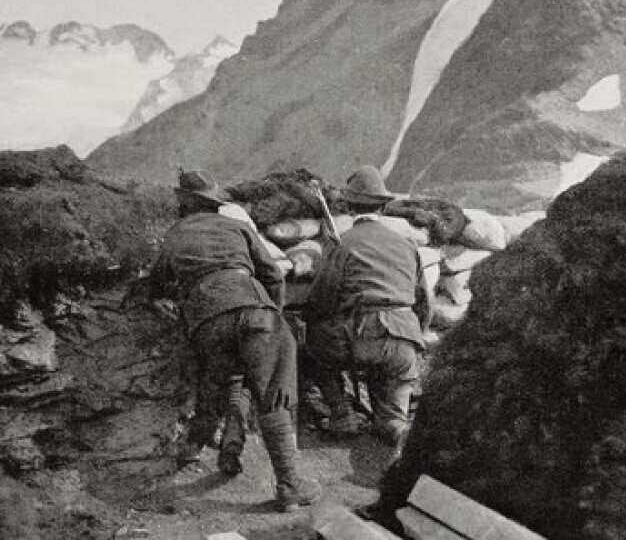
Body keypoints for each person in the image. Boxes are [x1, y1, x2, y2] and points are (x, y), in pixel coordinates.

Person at [148, 170, 316, 512]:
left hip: (207, 319)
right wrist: (273, 312)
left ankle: (202, 451)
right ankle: (289, 487)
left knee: (225, 382)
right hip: (254, 309)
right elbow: (272, 274)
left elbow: (156, 285)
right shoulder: (236, 227)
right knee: (272, 396)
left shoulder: (174, 234)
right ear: (215, 203)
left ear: (184, 203)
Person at [306, 166, 430, 447]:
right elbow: (424, 301)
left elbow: (322, 299)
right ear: (383, 206)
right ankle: (398, 431)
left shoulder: (344, 244)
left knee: (314, 341)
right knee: (393, 419)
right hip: (404, 341)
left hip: (360, 338)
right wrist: (415, 337)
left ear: (349, 206)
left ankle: (342, 415)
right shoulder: (407, 245)